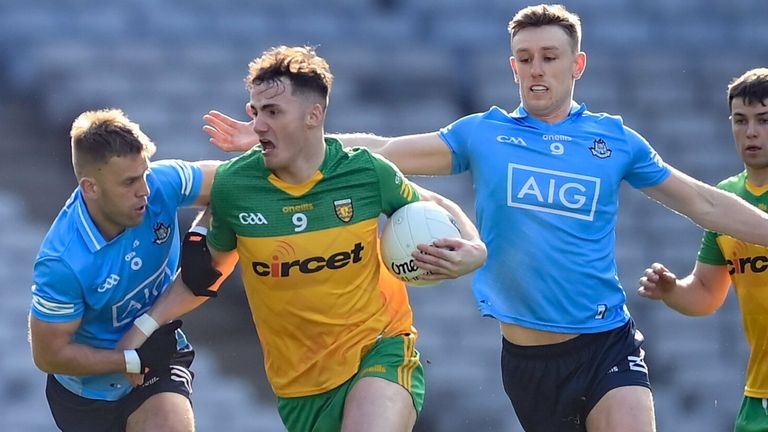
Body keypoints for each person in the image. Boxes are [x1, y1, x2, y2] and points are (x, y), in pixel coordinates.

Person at [200, 6, 768, 432]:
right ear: (512, 65)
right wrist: (291, 134)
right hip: (527, 357)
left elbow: (703, 202)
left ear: (578, 64)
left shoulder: (613, 141)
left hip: (607, 342)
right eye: (525, 58)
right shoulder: (483, 134)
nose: (536, 70)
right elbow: (384, 148)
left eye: (550, 57)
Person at [118, 45, 487, 432]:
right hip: (299, 389)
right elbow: (204, 278)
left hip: (380, 350)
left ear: (314, 115)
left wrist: (475, 249)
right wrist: (140, 329)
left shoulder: (365, 173)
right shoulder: (234, 186)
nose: (258, 125)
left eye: (273, 112)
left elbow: (433, 203)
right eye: (255, 112)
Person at [29, 108, 219, 432]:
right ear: (91, 188)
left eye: (143, 174)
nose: (144, 189)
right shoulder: (63, 261)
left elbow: (231, 184)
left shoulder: (161, 184)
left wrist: (201, 233)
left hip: (159, 357)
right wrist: (130, 359)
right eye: (129, 182)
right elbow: (49, 355)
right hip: (84, 396)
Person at [639, 67, 768, 432]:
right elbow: (708, 293)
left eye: (764, 119)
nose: (751, 131)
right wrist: (671, 290)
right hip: (760, 396)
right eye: (741, 120)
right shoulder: (726, 199)